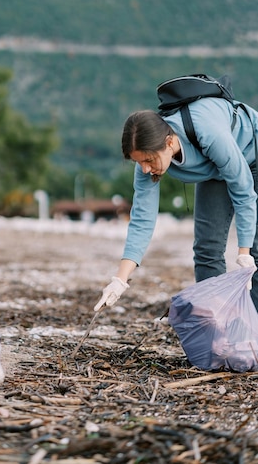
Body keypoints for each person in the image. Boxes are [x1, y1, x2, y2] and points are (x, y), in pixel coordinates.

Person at [94, 98, 258, 312]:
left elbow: (243, 193)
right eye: (138, 162)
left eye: (149, 161)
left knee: (255, 251)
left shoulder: (209, 133)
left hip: (251, 153)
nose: (145, 169)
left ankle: (252, 326)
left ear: (169, 142)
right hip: (214, 168)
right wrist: (120, 280)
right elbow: (142, 220)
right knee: (206, 248)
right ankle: (217, 322)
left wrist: (243, 252)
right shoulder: (147, 162)